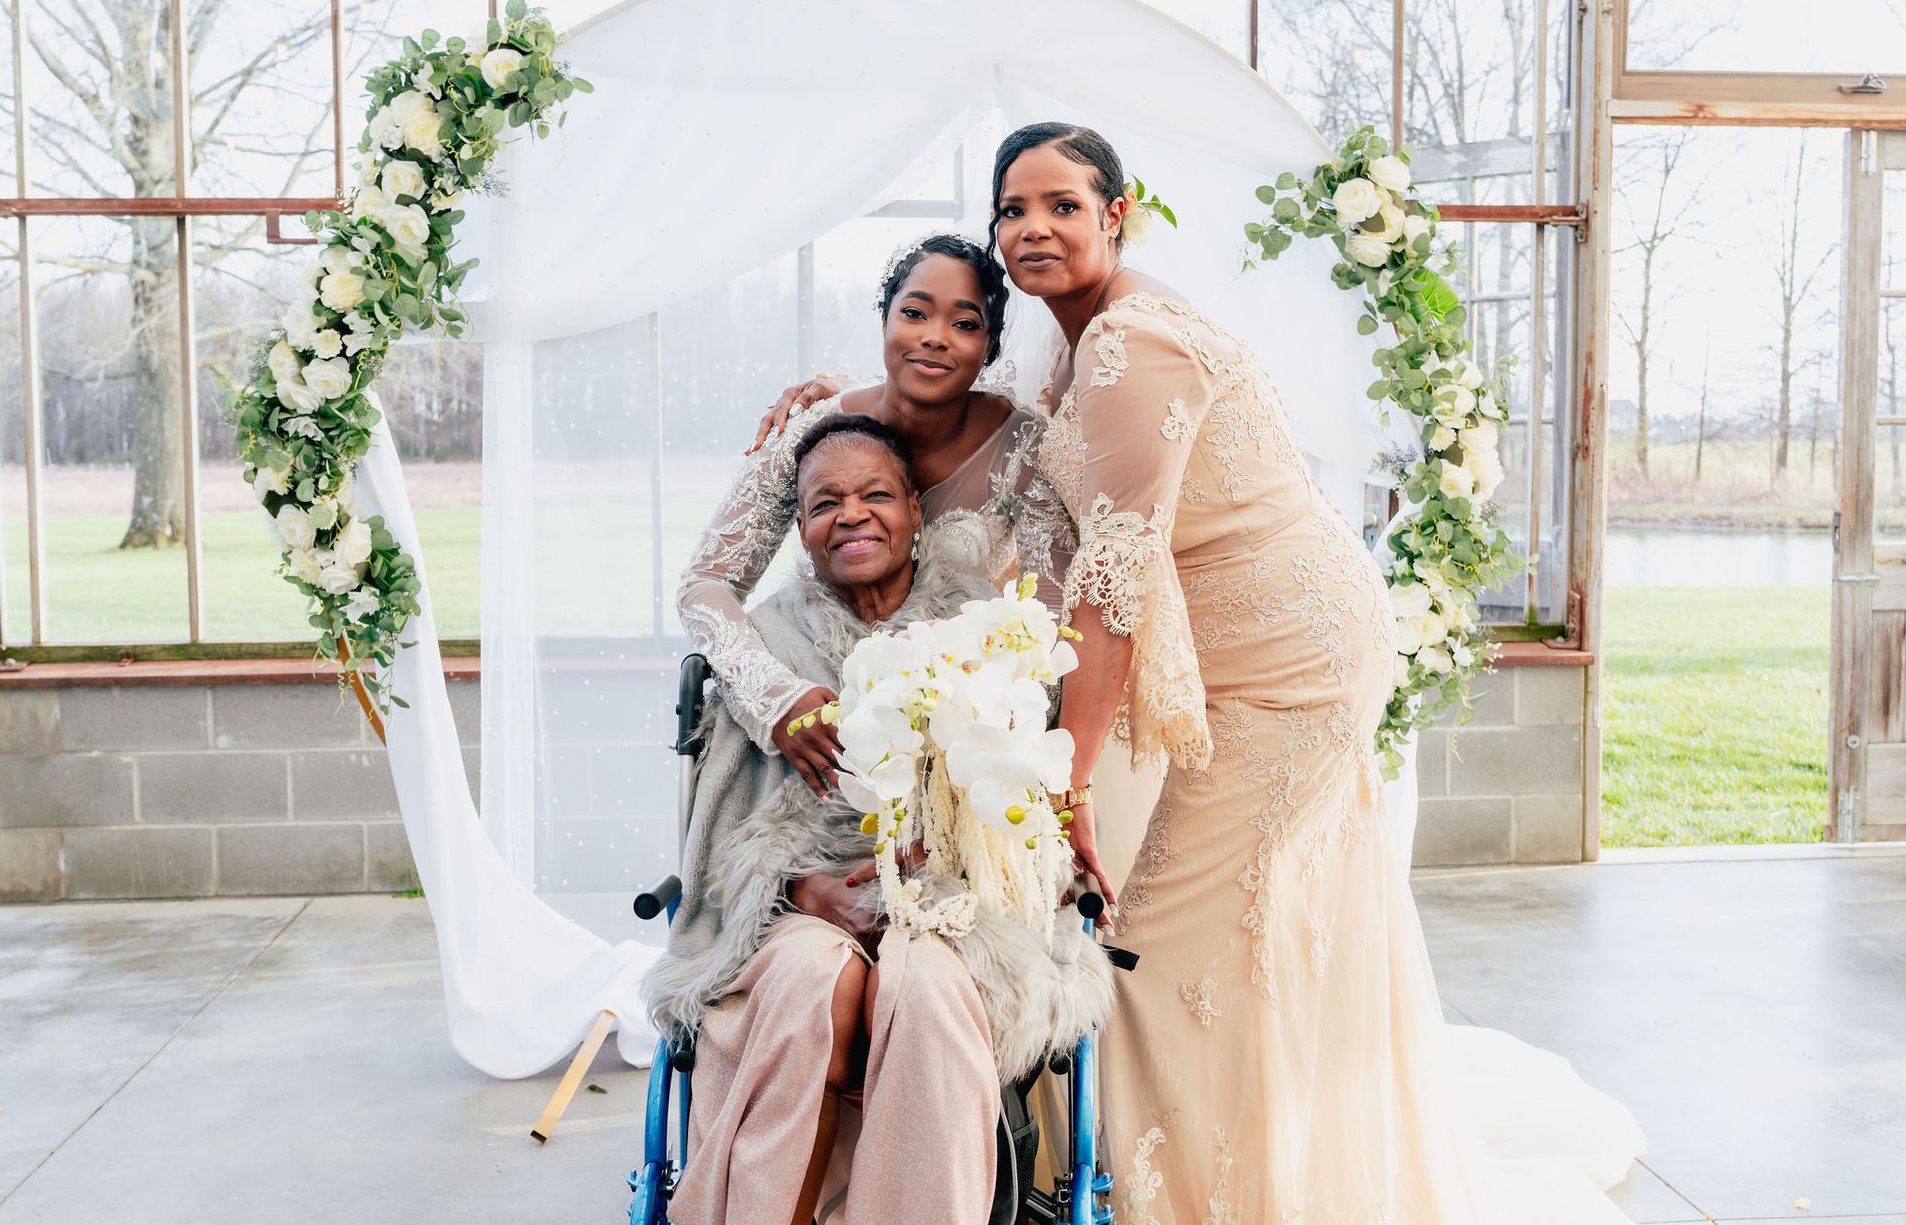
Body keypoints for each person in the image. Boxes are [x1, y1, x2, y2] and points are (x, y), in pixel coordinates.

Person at [981, 120, 1634, 1223]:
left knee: (1153, 946)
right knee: (1249, 936)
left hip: (1295, 662)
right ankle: (1276, 1172)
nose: (1032, 227)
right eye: (1011, 209)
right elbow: (1035, 481)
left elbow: (1119, 568)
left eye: (1061, 204)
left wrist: (1070, 781)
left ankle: (1190, 1197)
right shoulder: (1074, 340)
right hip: (1264, 648)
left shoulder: (1129, 339)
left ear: (1117, 214)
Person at [645, 414, 1112, 1225]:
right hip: (807, 903)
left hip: (959, 908)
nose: (852, 514)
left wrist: (956, 848)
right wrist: (795, 890)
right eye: (827, 502)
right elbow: (729, 822)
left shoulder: (985, 628)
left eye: (875, 495)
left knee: (924, 983)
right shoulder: (767, 645)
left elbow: (1025, 802)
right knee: (807, 978)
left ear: (915, 512)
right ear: (799, 528)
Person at [678, 233, 1071, 802]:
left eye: (964, 324)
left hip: (950, 723)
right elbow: (706, 581)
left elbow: (1051, 619)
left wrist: (968, 723)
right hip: (819, 705)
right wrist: (775, 698)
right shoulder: (807, 429)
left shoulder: (1025, 450)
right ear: (884, 321)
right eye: (914, 314)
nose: (935, 338)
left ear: (989, 348)